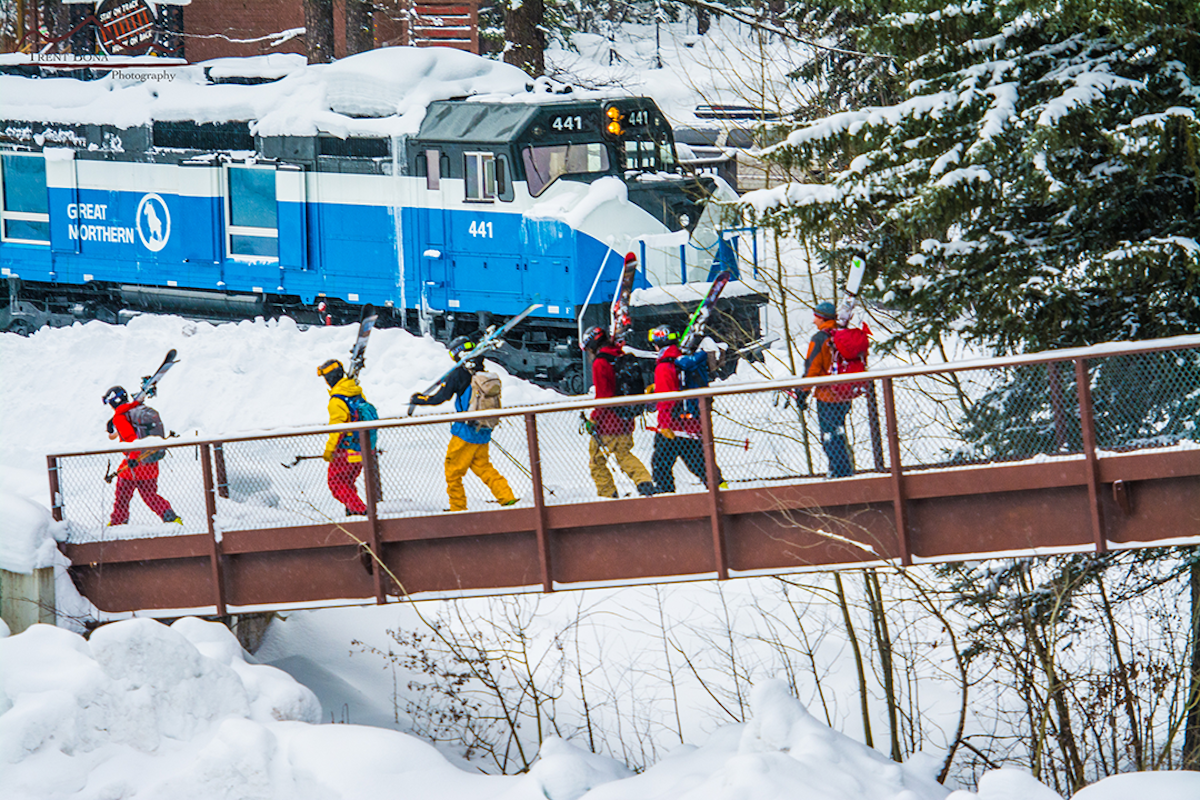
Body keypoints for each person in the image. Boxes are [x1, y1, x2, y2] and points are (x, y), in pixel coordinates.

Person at [409, 336, 517, 512]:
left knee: (453, 471)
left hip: (465, 431)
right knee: (483, 466)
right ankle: (507, 497)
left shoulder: (458, 374)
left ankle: (457, 508)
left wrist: (420, 399)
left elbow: (440, 397)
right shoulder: (481, 372)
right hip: (483, 429)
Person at [648, 325, 724, 494]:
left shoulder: (664, 365)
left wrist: (664, 424)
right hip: (689, 423)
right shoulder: (679, 359)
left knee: (661, 465)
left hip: (672, 425)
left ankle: (666, 497)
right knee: (699, 464)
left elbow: (667, 397)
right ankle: (720, 488)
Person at [581, 326, 655, 498]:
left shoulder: (600, 362)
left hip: (608, 421)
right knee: (624, 455)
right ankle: (644, 483)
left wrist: (593, 419)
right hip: (626, 416)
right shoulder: (619, 355)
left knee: (596, 460)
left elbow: (604, 395)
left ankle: (608, 495)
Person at [104, 385, 180, 525]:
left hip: (134, 464)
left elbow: (131, 439)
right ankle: (171, 518)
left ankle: (118, 522)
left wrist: (133, 459)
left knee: (122, 496)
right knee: (150, 495)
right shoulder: (135, 408)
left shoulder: (120, 417)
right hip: (150, 461)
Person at [800, 301, 854, 478]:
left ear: (822, 318)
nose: (814, 320)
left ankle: (839, 472)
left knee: (829, 435)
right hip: (845, 393)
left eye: (816, 317)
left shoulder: (819, 338)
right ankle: (843, 470)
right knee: (838, 432)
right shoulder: (842, 334)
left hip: (827, 396)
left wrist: (803, 391)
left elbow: (813, 368)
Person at [318, 358, 370, 516]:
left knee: (336, 482)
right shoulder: (355, 392)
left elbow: (337, 429)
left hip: (345, 449)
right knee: (347, 481)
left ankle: (360, 510)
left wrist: (329, 450)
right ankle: (352, 510)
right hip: (363, 446)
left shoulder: (337, 401)